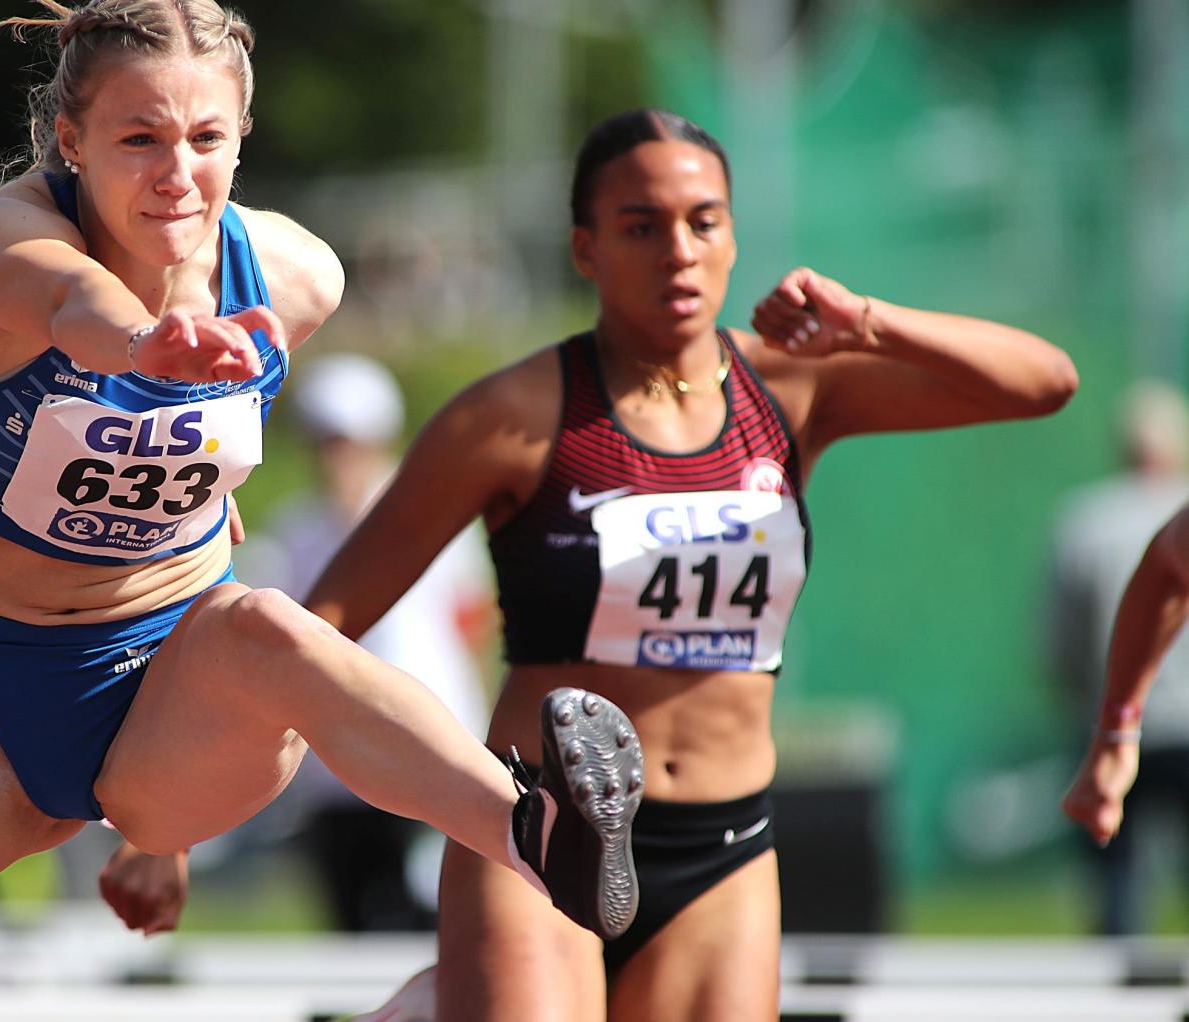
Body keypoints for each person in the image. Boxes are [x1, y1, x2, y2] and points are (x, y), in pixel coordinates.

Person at [0, 5, 641, 1019]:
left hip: (179, 697)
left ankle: (534, 829)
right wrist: (143, 346)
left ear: (240, 141)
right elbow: (63, 303)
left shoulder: (291, 276)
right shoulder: (2, 243)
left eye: (204, 137)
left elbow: (188, 481)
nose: (175, 173)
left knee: (269, 626)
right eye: (138, 138)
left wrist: (169, 817)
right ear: (70, 140)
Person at [303, 108, 1078, 1020]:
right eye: (642, 225)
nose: (678, 249)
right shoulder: (509, 417)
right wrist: (175, 832)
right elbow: (322, 626)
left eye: (703, 221)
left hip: (723, 847)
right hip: (541, 833)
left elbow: (1042, 382)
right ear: (586, 249)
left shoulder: (793, 387)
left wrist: (868, 321)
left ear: (733, 236)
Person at [241, 352, 494, 931]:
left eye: (351, 442)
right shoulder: (294, 532)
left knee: (435, 929)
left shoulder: (431, 517)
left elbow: (469, 624)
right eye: (328, 443)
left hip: (434, 762)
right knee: (354, 929)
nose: (340, 459)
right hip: (336, 776)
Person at [1048, 381, 1189, 933]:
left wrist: (1103, 719)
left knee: (1116, 892)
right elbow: (1161, 573)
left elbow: (1060, 641)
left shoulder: (1083, 522)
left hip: (1115, 726)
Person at [1061, 498, 1189, 903]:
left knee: (1116, 872)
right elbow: (1168, 563)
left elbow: (1166, 564)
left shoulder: (1086, 520)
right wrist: (1116, 730)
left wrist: (1115, 730)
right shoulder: (1088, 520)